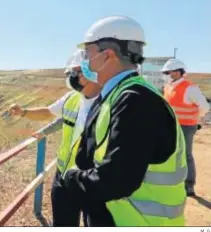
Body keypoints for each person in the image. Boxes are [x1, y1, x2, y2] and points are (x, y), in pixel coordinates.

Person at [61, 15, 187, 226]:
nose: (84, 60)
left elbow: (117, 180)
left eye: (87, 52)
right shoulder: (117, 94)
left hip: (136, 221)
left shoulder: (137, 101)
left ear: (107, 55)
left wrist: (72, 179)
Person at [7, 49, 101, 227]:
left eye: (75, 72)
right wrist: (23, 112)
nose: (71, 77)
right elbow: (47, 113)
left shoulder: (110, 102)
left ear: (91, 71)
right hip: (64, 176)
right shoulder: (72, 98)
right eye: (70, 73)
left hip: (92, 179)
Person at [161, 58, 210, 197]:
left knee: (186, 155)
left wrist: (195, 119)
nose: (170, 73)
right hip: (171, 126)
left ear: (179, 72)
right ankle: (174, 180)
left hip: (187, 127)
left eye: (172, 71)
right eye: (168, 71)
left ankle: (189, 185)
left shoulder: (190, 88)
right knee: (171, 154)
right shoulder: (168, 87)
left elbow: (204, 107)